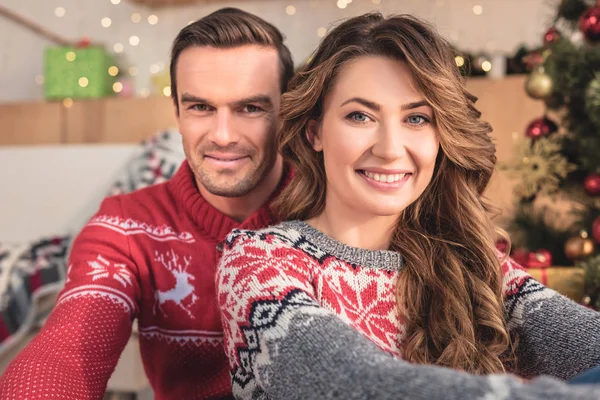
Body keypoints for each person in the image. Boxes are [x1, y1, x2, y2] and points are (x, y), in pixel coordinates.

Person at [216, 12, 600, 399]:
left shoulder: (474, 263)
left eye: (416, 118)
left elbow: (584, 340)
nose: (389, 149)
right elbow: (354, 384)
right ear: (315, 131)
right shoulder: (256, 262)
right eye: (360, 116)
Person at [0, 8, 293, 400]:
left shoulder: (335, 214)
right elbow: (68, 350)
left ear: (288, 113)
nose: (223, 136)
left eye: (251, 108)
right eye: (200, 107)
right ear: (177, 113)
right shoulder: (124, 225)